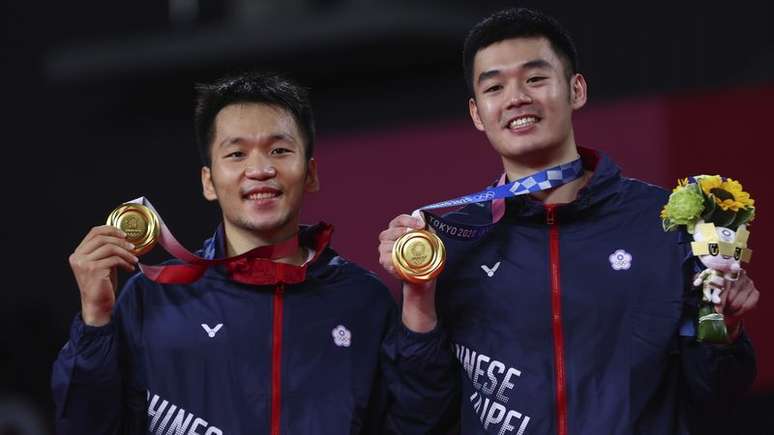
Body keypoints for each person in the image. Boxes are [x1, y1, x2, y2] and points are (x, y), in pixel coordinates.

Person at [377, 8, 759, 435]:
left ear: (576, 89)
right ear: (477, 113)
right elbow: (421, 416)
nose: (517, 97)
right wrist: (418, 295)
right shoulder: (454, 241)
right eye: (495, 86)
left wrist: (724, 331)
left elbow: (717, 397)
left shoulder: (664, 224)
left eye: (536, 78)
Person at [51, 72, 440, 434]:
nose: (260, 169)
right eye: (236, 154)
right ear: (208, 181)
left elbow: (415, 425)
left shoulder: (363, 300)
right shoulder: (153, 298)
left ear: (310, 173)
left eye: (280, 150)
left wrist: (421, 302)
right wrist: (95, 321)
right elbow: (85, 426)